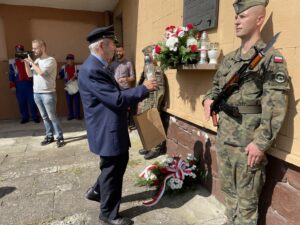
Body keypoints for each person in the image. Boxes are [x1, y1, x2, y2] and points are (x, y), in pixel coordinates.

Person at [202, 1, 290, 224]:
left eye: (243, 16)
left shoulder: (271, 59)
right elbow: (216, 87)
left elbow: (276, 105)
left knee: (247, 205)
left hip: (248, 143)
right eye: (236, 17)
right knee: (229, 195)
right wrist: (208, 99)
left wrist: (261, 142)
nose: (236, 21)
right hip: (225, 138)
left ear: (260, 19)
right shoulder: (230, 59)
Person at [78, 25, 157, 225]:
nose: (115, 48)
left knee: (112, 165)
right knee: (114, 168)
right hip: (107, 129)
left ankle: (97, 192)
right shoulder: (92, 69)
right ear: (101, 46)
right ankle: (108, 214)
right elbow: (117, 100)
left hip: (107, 127)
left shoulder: (97, 66)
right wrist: (143, 88)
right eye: (112, 44)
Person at [24, 40, 65, 148]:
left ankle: (59, 137)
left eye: (35, 48)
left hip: (48, 93)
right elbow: (29, 74)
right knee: (44, 117)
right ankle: (49, 136)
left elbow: (42, 73)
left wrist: (31, 62)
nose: (33, 50)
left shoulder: (51, 60)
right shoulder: (37, 60)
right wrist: (26, 63)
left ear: (42, 48)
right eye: (32, 48)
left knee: (52, 117)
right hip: (36, 93)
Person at [138, 45, 166, 160]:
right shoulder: (147, 67)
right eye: (145, 56)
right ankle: (148, 145)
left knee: (154, 122)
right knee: (145, 123)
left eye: (147, 55)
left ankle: (157, 148)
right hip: (145, 100)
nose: (145, 58)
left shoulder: (156, 69)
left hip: (152, 100)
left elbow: (160, 89)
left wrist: (156, 104)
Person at [9, 44, 39, 124]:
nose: (19, 52)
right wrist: (12, 85)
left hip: (29, 84)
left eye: (21, 51)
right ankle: (25, 117)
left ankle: (35, 117)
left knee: (32, 101)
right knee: (22, 102)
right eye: (18, 51)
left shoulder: (28, 59)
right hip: (19, 85)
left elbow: (34, 71)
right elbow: (11, 74)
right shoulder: (12, 62)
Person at [111, 46, 136, 130]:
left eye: (120, 51)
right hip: (116, 89)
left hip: (126, 89)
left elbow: (133, 77)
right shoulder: (112, 64)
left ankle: (127, 125)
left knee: (127, 108)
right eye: (117, 51)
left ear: (124, 51)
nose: (118, 53)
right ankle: (120, 124)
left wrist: (125, 79)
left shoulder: (128, 63)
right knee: (117, 108)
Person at [59, 53, 81, 120]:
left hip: (75, 86)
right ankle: (70, 115)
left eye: (71, 59)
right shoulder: (64, 67)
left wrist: (76, 76)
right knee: (69, 101)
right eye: (68, 59)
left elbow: (81, 75)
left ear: (73, 60)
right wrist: (59, 76)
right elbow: (61, 75)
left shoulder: (77, 67)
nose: (70, 61)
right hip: (68, 86)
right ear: (66, 60)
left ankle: (77, 115)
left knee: (77, 101)